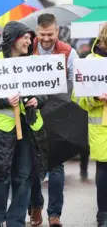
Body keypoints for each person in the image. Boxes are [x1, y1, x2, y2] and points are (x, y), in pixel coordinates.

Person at [0, 21, 48, 227]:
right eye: (25, 37)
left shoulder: (33, 62)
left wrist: (39, 100)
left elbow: (44, 89)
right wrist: (4, 101)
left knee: (24, 177)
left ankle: (16, 221)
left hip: (27, 128)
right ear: (13, 39)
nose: (29, 41)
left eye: (29, 37)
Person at [28, 13, 79, 227]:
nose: (46, 38)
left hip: (58, 114)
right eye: (42, 34)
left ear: (57, 31)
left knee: (56, 165)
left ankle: (54, 214)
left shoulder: (69, 52)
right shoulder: (28, 49)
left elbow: (75, 83)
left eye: (50, 34)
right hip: (32, 113)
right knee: (31, 165)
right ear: (37, 32)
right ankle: (35, 206)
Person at [72, 25, 107, 227]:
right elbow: (77, 97)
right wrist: (95, 97)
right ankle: (103, 214)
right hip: (101, 127)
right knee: (104, 169)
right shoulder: (89, 63)